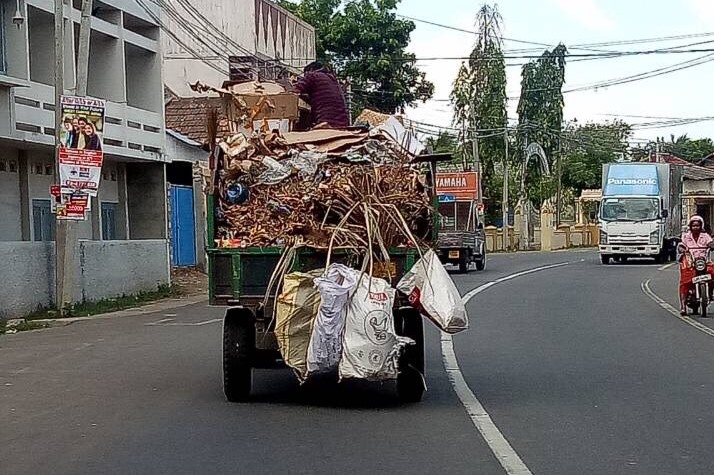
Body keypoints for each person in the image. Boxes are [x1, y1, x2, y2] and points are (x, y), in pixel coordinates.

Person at [292, 61, 350, 129]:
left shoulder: (312, 75)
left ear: (309, 70)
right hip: (344, 124)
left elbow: (294, 91)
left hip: (326, 122)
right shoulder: (332, 79)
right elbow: (321, 98)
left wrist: (291, 83)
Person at [677, 215, 714, 315]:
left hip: (703, 262)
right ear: (690, 227)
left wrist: (711, 245)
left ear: (701, 226)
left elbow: (710, 243)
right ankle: (683, 307)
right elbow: (681, 246)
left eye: (698, 225)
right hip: (690, 263)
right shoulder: (686, 236)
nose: (695, 228)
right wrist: (683, 249)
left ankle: (710, 292)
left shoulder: (705, 236)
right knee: (684, 282)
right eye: (693, 226)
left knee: (712, 273)